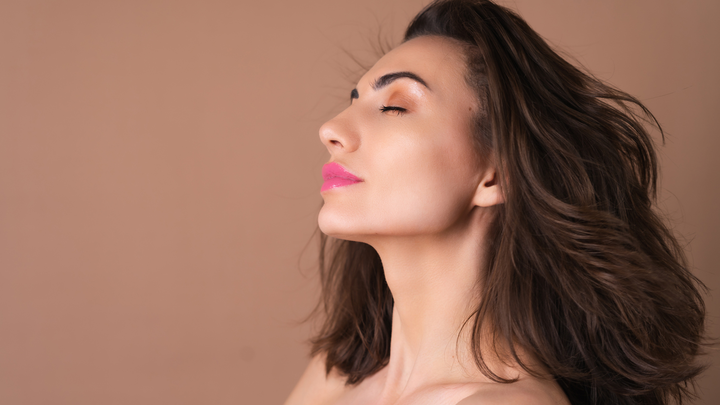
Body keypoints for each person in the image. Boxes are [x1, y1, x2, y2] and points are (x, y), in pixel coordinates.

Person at [284, 0, 707, 404]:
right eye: (354, 101)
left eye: (395, 107)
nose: (331, 129)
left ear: (496, 173)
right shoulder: (333, 374)